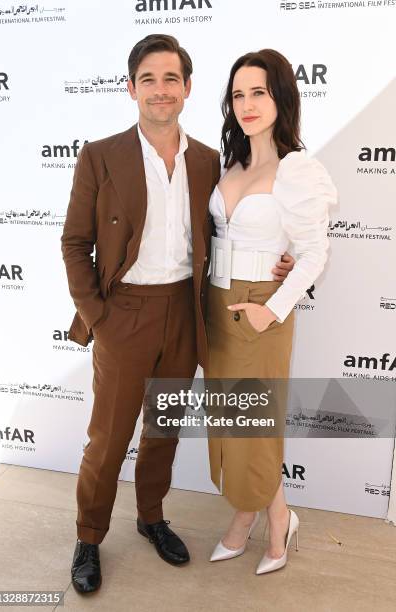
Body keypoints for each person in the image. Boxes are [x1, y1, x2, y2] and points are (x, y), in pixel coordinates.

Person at [61, 35, 294, 594]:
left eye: (171, 79)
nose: (160, 91)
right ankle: (89, 536)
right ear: (131, 88)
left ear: (188, 88)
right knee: (108, 437)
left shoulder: (211, 162)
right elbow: (74, 244)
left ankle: (150, 518)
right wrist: (101, 317)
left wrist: (281, 263)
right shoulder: (101, 155)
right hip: (125, 315)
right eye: (148, 79)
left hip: (186, 314)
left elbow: (237, 228)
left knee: (162, 429)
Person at [205, 49, 337, 574]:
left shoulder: (296, 168)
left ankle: (255, 520)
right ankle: (274, 513)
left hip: (261, 310)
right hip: (217, 308)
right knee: (233, 423)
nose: (247, 104)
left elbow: (314, 253)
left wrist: (273, 310)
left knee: (253, 426)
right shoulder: (231, 163)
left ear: (281, 96)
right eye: (238, 94)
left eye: (258, 91)